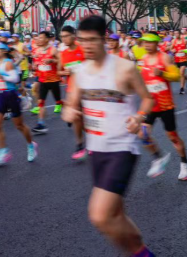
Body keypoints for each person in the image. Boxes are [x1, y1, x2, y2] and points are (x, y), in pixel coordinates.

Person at [61, 16, 156, 257]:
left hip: (122, 148)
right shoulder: (80, 72)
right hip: (96, 149)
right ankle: (139, 252)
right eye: (82, 40)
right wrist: (70, 111)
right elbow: (70, 106)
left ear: (104, 38)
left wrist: (139, 117)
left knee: (100, 215)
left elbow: (147, 99)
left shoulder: (124, 68)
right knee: (116, 216)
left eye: (92, 40)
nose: (87, 46)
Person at [136, 32, 187, 181]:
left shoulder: (164, 57)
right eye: (144, 42)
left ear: (157, 43)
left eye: (150, 42)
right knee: (142, 134)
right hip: (151, 105)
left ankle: (185, 162)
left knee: (172, 137)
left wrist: (162, 73)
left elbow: (176, 76)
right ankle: (159, 157)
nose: (146, 45)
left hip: (166, 104)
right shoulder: (143, 60)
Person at [0, 42, 37, 165]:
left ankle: (31, 145)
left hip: (11, 95)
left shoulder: (8, 63)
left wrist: (1, 75)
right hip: (1, 95)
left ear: (4, 51)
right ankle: (3, 151)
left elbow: (15, 79)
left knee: (19, 125)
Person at [58, 25, 87, 161]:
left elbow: (93, 65)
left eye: (66, 36)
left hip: (87, 88)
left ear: (73, 35)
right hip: (72, 89)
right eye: (62, 36)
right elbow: (59, 71)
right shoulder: (63, 53)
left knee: (87, 118)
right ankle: (80, 145)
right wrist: (65, 72)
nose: (63, 39)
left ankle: (95, 141)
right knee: (76, 118)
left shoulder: (83, 49)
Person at [31, 30, 61, 134]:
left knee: (59, 101)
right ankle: (41, 124)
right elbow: (36, 63)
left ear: (47, 39)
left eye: (41, 38)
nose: (39, 39)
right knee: (40, 102)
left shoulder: (53, 50)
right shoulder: (37, 50)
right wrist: (35, 66)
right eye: (38, 38)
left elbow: (61, 61)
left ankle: (73, 113)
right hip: (42, 80)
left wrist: (52, 61)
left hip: (54, 80)